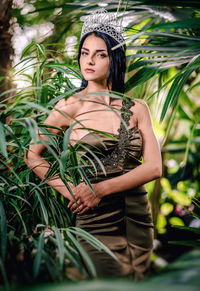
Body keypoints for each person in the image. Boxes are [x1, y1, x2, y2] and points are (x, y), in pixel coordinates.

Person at [25, 9, 162, 280]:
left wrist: (100, 189)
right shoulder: (68, 107)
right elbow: (32, 155)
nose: (89, 60)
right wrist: (71, 192)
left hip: (136, 219)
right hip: (94, 219)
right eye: (84, 52)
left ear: (115, 59)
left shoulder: (138, 108)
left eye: (100, 54)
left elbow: (154, 168)